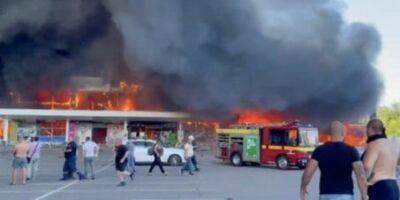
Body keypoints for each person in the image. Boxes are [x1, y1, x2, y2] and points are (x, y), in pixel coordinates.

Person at [300, 121, 368, 200]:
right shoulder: (351, 151)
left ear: (330, 133)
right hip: (346, 196)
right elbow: (361, 175)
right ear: (343, 132)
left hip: (326, 195)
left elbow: (308, 172)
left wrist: (303, 186)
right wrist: (364, 195)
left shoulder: (320, 150)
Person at [363, 119, 400, 200]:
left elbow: (367, 166)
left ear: (369, 129)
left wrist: (366, 182)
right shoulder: (393, 144)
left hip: (379, 187)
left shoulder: (374, 144)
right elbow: (398, 162)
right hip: (394, 186)